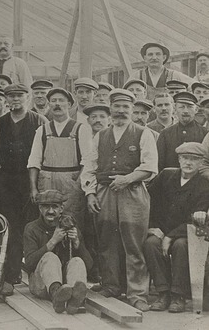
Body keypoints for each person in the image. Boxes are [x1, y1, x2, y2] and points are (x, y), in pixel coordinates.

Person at [81, 89, 158, 311]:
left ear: (132, 110)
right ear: (110, 109)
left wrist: (127, 179)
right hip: (105, 192)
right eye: (117, 106)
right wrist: (90, 193)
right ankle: (111, 285)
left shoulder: (144, 133)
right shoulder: (100, 135)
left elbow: (150, 167)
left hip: (132, 192)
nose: (121, 111)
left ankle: (137, 293)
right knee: (106, 240)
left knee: (133, 243)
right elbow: (89, 166)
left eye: (126, 107)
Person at [0, 84, 49, 295]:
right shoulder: (0, 123)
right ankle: (12, 274)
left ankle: (37, 276)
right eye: (11, 96)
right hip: (7, 182)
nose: (15, 99)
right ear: (6, 99)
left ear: (28, 97)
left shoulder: (39, 121)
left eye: (19, 95)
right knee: (12, 228)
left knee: (33, 228)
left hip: (30, 182)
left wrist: (37, 185)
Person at [144, 142, 209, 313]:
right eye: (185, 158)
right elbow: (148, 202)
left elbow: (196, 217)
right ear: (179, 159)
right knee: (151, 244)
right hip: (161, 228)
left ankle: (178, 296)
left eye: (194, 159)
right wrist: (152, 227)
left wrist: (170, 236)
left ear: (201, 163)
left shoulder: (204, 184)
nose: (188, 163)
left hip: (186, 232)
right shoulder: (166, 176)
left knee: (181, 246)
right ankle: (163, 293)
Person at [28, 88, 93, 230]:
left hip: (71, 183)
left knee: (71, 222)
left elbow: (88, 161)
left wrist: (78, 186)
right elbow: (34, 161)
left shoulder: (81, 129)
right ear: (49, 104)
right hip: (46, 183)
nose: (57, 104)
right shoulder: (42, 130)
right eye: (53, 101)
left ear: (69, 105)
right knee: (47, 222)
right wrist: (33, 188)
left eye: (61, 100)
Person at [23, 190, 92, 315]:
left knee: (77, 261)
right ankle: (57, 296)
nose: (50, 211)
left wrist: (77, 243)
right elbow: (28, 264)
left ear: (61, 208)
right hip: (41, 285)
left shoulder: (69, 225)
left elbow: (89, 265)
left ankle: (75, 301)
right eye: (45, 207)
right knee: (50, 257)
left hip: (67, 287)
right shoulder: (31, 228)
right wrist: (52, 242)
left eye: (54, 207)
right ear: (39, 208)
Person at [156, 91, 207, 170]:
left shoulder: (205, 133)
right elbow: (160, 163)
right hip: (171, 179)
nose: (185, 111)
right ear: (175, 109)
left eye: (190, 107)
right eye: (182, 107)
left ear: (196, 109)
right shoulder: (165, 134)